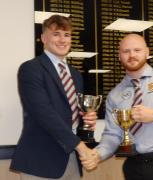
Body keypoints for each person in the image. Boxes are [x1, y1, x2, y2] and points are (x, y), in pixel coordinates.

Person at [81, 33, 153, 180]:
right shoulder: (115, 94)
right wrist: (98, 154)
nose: (131, 55)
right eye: (126, 51)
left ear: (147, 52)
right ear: (119, 56)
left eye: (137, 50)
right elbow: (113, 134)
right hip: (133, 166)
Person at [10, 15, 97, 180]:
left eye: (67, 35)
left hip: (71, 160)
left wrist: (86, 120)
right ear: (43, 38)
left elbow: (71, 116)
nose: (62, 40)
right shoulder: (31, 69)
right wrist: (80, 146)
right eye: (56, 34)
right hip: (40, 161)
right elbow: (44, 113)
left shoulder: (76, 75)